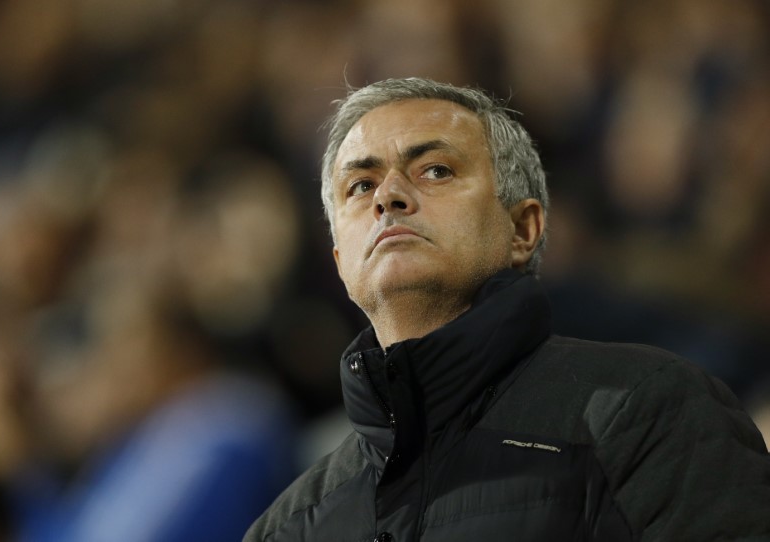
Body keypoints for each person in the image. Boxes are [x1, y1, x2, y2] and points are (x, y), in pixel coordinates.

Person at [244, 77, 770, 542]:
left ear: (523, 230)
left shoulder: (651, 415)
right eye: (361, 185)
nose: (389, 197)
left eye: (435, 170)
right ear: (340, 262)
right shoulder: (286, 526)